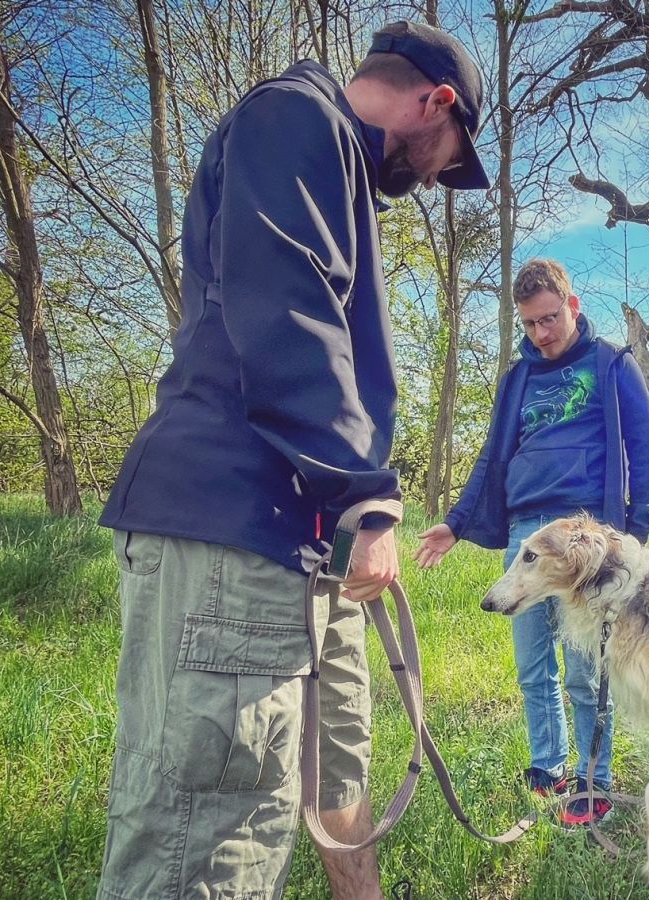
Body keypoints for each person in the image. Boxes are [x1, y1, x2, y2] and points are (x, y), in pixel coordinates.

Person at [96, 21, 491, 900]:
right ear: (437, 104)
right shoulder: (294, 121)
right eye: (447, 158)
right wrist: (370, 499)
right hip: (234, 532)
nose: (434, 179)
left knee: (338, 772)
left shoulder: (335, 160)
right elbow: (289, 314)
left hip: (304, 546)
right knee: (208, 838)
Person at [414, 258, 649, 825]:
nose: (541, 334)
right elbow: (491, 455)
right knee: (533, 665)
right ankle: (547, 766)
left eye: (549, 319)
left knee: (584, 669)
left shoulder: (611, 362)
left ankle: (593, 778)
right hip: (527, 531)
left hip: (588, 539)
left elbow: (645, 448)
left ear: (572, 306)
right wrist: (455, 522)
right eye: (529, 324)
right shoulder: (518, 378)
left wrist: (634, 532)